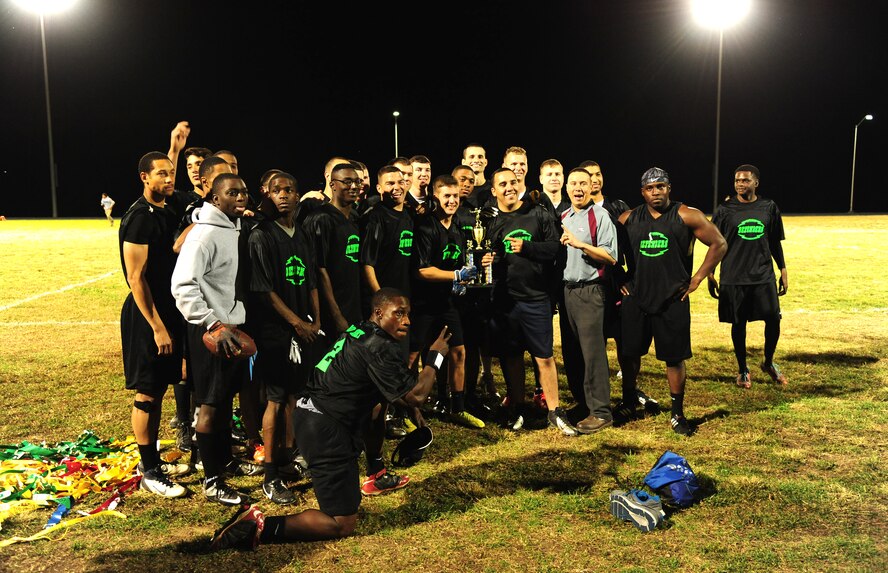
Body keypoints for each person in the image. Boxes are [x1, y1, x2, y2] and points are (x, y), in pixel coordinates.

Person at [210, 289, 451, 549]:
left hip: (316, 416)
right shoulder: (378, 346)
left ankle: (375, 473)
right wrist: (435, 357)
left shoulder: (361, 329)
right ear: (379, 313)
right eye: (400, 314)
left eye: (408, 315)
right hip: (325, 428)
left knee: (376, 409)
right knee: (340, 522)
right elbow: (416, 395)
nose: (407, 321)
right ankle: (258, 526)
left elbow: (383, 402)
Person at [171, 173, 262, 506]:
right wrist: (212, 324)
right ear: (214, 198)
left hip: (231, 328)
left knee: (224, 404)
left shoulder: (233, 227)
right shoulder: (204, 235)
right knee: (210, 405)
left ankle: (224, 461)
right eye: (231, 192)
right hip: (213, 330)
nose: (240, 197)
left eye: (244, 191)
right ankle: (212, 481)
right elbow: (182, 285)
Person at [617, 167, 727, 436]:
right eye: (650, 188)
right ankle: (629, 401)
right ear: (642, 192)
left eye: (661, 186)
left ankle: (677, 413)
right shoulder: (627, 219)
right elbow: (607, 250)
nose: (656, 192)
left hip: (672, 298)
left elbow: (719, 243)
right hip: (636, 297)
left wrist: (698, 277)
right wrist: (617, 278)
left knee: (674, 358)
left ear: (669, 188)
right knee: (629, 354)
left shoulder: (686, 215)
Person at [248, 172, 322, 504]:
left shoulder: (303, 233)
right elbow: (264, 291)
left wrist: (315, 320)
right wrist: (295, 323)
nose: (283, 195)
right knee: (276, 400)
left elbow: (311, 282)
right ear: (267, 193)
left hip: (304, 328)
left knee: (297, 394)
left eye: (289, 190)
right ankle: (269, 473)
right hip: (277, 331)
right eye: (277, 190)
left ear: (297, 196)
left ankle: (293, 456)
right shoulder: (261, 235)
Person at [118, 152, 189, 498]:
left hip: (168, 311)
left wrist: (175, 148)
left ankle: (153, 462)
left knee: (161, 387)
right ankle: (149, 470)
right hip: (148, 314)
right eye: (161, 174)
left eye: (171, 172)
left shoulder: (166, 207)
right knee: (147, 392)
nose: (169, 178)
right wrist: (157, 327)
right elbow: (136, 277)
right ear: (144, 177)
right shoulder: (139, 219)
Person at [486, 168, 575, 435]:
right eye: (503, 184)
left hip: (536, 298)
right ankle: (517, 408)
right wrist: (489, 260)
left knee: (544, 356)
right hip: (506, 301)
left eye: (513, 182)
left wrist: (527, 248)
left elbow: (556, 248)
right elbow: (490, 255)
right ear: (494, 191)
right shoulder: (491, 221)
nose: (509, 187)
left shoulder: (538, 213)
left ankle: (555, 411)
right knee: (511, 357)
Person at [409, 175, 488, 429]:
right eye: (447, 196)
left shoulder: (456, 229)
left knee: (459, 351)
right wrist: (454, 275)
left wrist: (462, 280)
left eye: (455, 196)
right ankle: (404, 410)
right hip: (423, 304)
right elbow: (422, 270)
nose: (452, 201)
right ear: (436, 197)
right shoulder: (426, 227)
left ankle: (458, 407)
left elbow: (456, 266)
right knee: (411, 357)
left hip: (447, 303)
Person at [708, 164, 788, 387]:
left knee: (773, 319)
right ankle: (743, 369)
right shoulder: (724, 209)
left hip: (763, 275)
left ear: (756, 183)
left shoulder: (768, 207)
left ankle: (769, 362)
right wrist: (711, 273)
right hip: (734, 276)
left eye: (745, 180)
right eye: (736, 181)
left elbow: (774, 242)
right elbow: (715, 243)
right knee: (738, 323)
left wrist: (782, 269)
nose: (740, 184)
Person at [559, 168, 618, 433]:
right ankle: (585, 404)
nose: (578, 188)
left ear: (591, 185)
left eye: (583, 183)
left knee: (593, 354)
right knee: (575, 354)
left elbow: (611, 256)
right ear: (567, 187)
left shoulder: (600, 215)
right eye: (574, 184)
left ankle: (602, 412)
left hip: (591, 290)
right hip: (569, 291)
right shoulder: (564, 216)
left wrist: (580, 244)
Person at [302, 163, 363, 339]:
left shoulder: (354, 218)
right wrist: (336, 316)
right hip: (331, 315)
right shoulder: (320, 218)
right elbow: (318, 270)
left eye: (357, 182)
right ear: (333, 184)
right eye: (347, 182)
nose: (353, 187)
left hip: (353, 309)